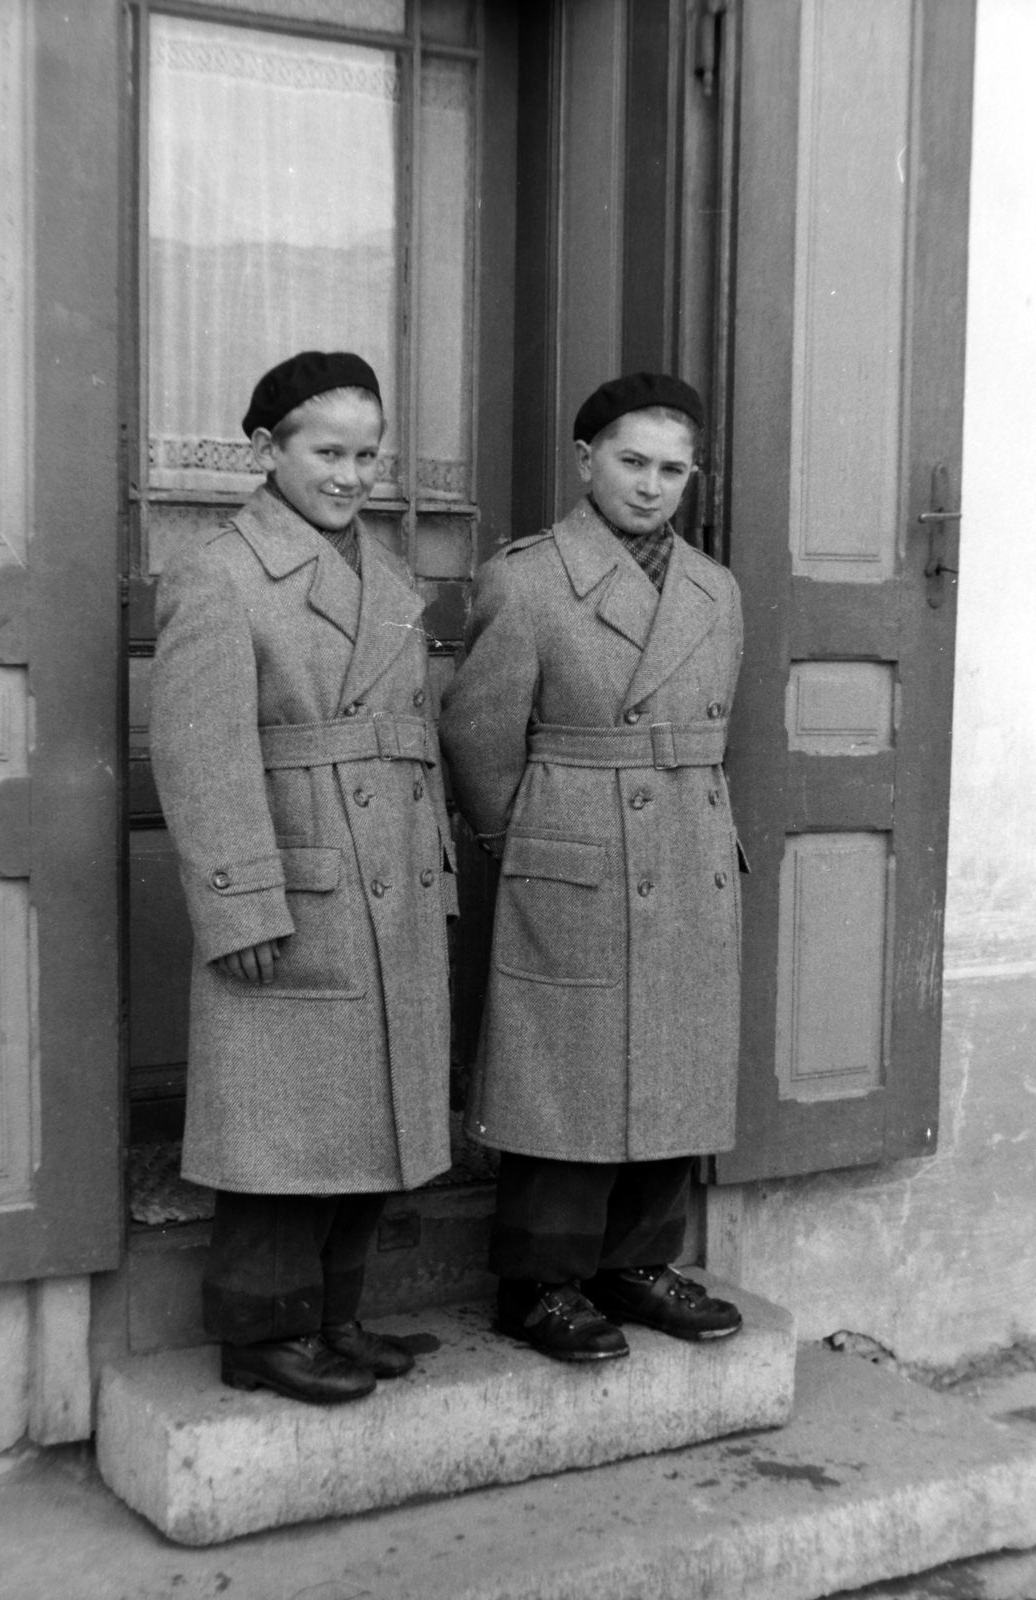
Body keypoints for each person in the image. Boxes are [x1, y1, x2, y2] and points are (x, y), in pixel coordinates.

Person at [151, 351, 456, 1404]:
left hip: (390, 876)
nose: (351, 475)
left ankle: (334, 1316)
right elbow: (200, 754)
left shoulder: (386, 574)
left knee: (365, 1112)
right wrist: (238, 901)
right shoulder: (220, 573)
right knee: (281, 1122)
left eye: (369, 455)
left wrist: (436, 872)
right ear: (264, 450)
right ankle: (263, 1335)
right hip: (297, 879)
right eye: (327, 452)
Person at [439, 372, 745, 1363]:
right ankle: (539, 1283)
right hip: (573, 849)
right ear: (585, 461)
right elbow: (478, 734)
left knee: (674, 1056)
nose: (651, 486)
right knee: (564, 1066)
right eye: (631, 461)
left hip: (686, 846)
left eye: (673, 469)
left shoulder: (714, 589)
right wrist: (531, 844)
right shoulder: (528, 580)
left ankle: (637, 1263)